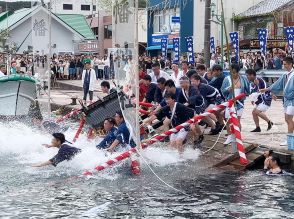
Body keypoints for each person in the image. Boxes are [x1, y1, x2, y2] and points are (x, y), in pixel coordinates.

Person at [261, 57, 294, 146]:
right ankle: (291, 136)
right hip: (286, 100)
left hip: (292, 100)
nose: (284, 66)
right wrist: (267, 89)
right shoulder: (285, 75)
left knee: (288, 119)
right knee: (287, 119)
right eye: (283, 64)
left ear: (290, 64)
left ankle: (290, 140)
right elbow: (277, 84)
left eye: (285, 64)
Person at [221, 64, 250, 145]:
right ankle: (230, 136)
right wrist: (228, 89)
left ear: (238, 72)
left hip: (239, 102)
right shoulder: (227, 79)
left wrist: (244, 95)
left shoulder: (243, 79)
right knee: (228, 120)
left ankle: (237, 136)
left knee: (237, 121)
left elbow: (248, 90)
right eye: (231, 72)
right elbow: (222, 90)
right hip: (230, 101)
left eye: (234, 72)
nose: (232, 74)